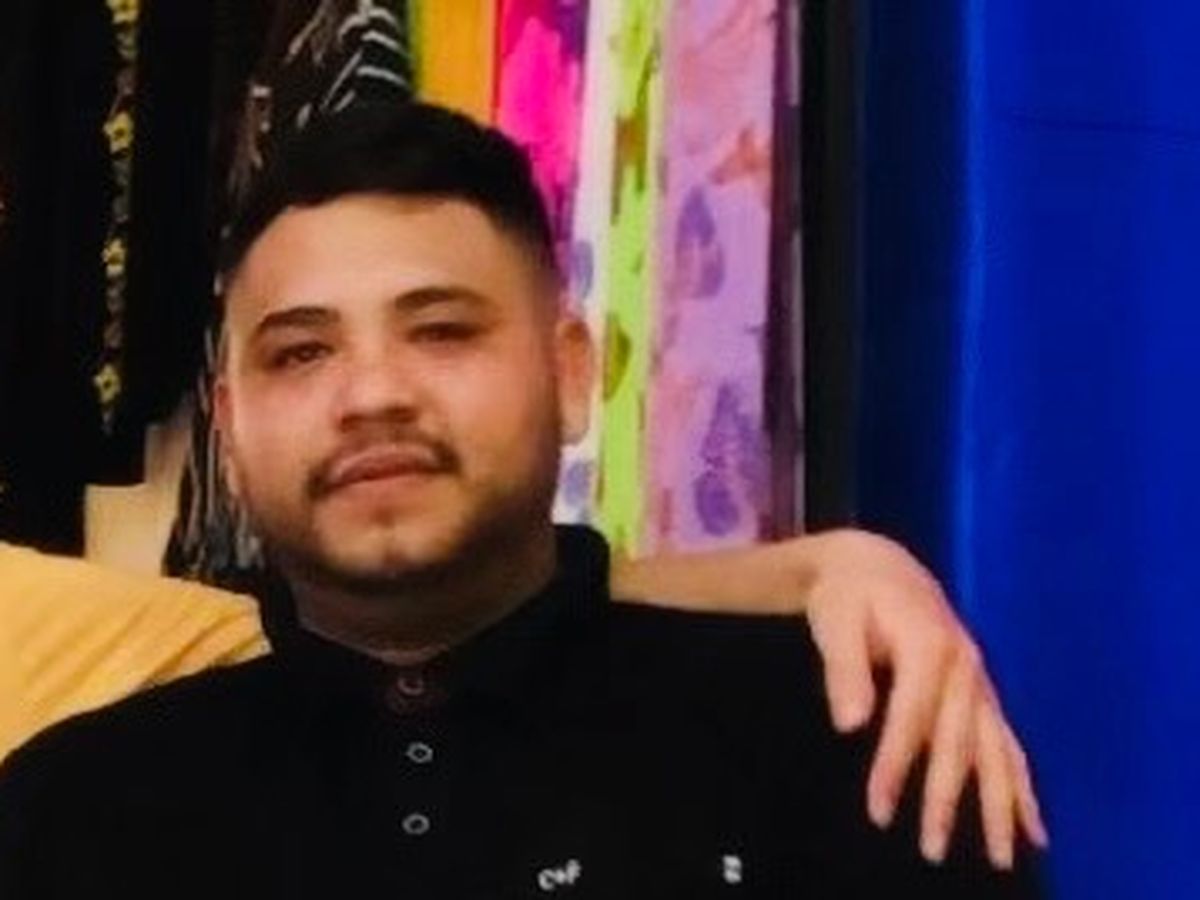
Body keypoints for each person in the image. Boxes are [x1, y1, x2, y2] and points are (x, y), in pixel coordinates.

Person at [0, 104, 1043, 897]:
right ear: (229, 433)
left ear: (571, 373)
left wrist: (845, 565)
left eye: (442, 331)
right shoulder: (71, 810)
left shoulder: (846, 732)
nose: (372, 394)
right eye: (303, 352)